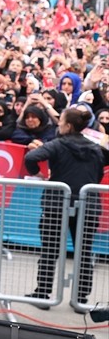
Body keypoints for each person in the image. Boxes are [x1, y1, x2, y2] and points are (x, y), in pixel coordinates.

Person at [23, 105, 108, 306]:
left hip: (57, 203)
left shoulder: (57, 144)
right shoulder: (96, 148)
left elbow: (30, 157)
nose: (58, 125)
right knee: (84, 252)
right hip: (87, 204)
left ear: (68, 126)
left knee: (50, 250)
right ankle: (81, 299)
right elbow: (100, 169)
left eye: (60, 122)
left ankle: (43, 294)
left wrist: (39, 174)